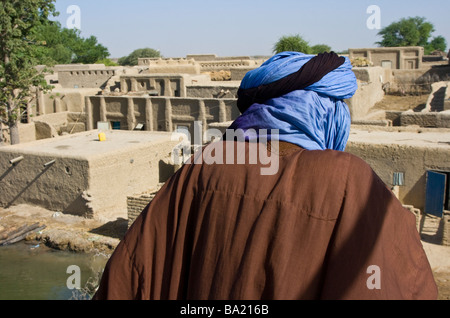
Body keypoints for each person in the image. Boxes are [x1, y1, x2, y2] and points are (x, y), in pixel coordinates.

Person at [92, 52, 437, 300]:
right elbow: (405, 284)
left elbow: (130, 275)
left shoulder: (205, 163)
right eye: (339, 108)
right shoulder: (348, 180)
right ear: (319, 110)